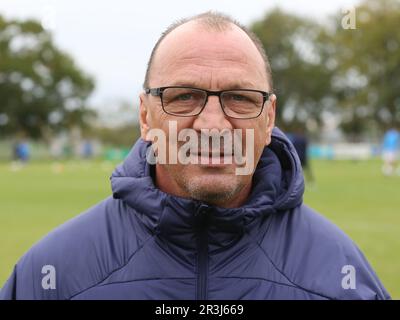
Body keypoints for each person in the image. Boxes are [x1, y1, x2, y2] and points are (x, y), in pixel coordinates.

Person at [0, 12, 390, 300]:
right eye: (184, 96)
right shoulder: (51, 274)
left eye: (239, 98)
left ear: (268, 117)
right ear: (144, 116)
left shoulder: (343, 277)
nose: (213, 125)